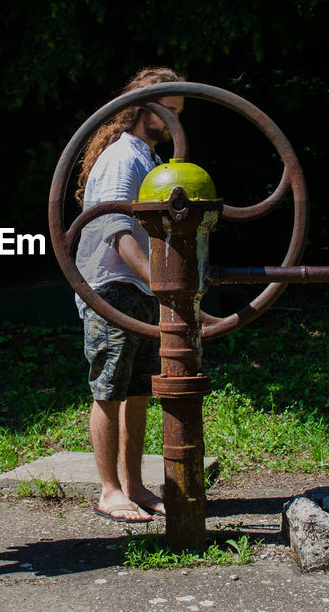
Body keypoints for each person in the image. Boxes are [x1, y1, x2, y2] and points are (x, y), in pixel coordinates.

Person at [74, 66, 185, 523]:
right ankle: (109, 490)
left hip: (137, 286)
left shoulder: (149, 160)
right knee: (109, 390)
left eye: (180, 113)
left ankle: (135, 485)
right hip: (111, 287)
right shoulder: (123, 158)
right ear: (144, 108)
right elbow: (116, 230)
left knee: (138, 392)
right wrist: (164, 285)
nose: (175, 122)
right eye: (169, 111)